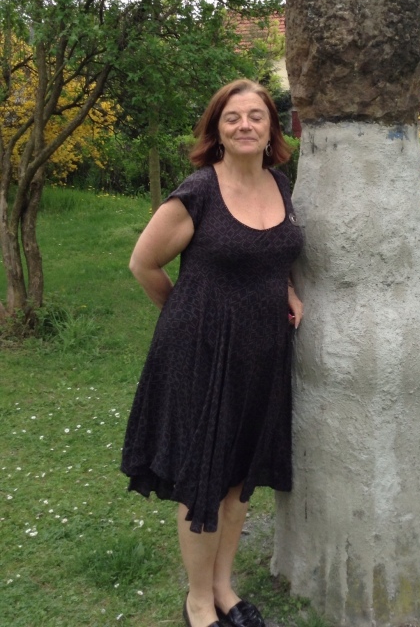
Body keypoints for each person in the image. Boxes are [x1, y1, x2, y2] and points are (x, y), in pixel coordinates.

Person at [121, 79, 304, 627]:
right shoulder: (198, 191)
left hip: (264, 356)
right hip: (202, 355)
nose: (245, 125)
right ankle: (198, 601)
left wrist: (288, 290)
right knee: (204, 478)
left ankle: (224, 588)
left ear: (271, 127)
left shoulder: (280, 184)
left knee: (238, 477)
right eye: (233, 118)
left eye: (256, 116)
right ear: (216, 130)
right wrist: (184, 319)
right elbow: (143, 264)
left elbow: (276, 255)